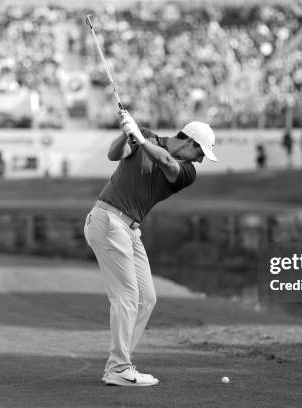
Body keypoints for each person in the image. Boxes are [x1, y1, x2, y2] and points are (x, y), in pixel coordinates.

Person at [84, 110, 217, 387]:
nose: (202, 159)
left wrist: (141, 141)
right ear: (189, 141)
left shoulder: (188, 172)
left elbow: (166, 161)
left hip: (129, 230)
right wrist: (127, 134)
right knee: (128, 296)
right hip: (109, 220)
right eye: (201, 151)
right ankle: (119, 368)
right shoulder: (143, 135)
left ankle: (119, 365)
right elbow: (113, 154)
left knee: (147, 298)